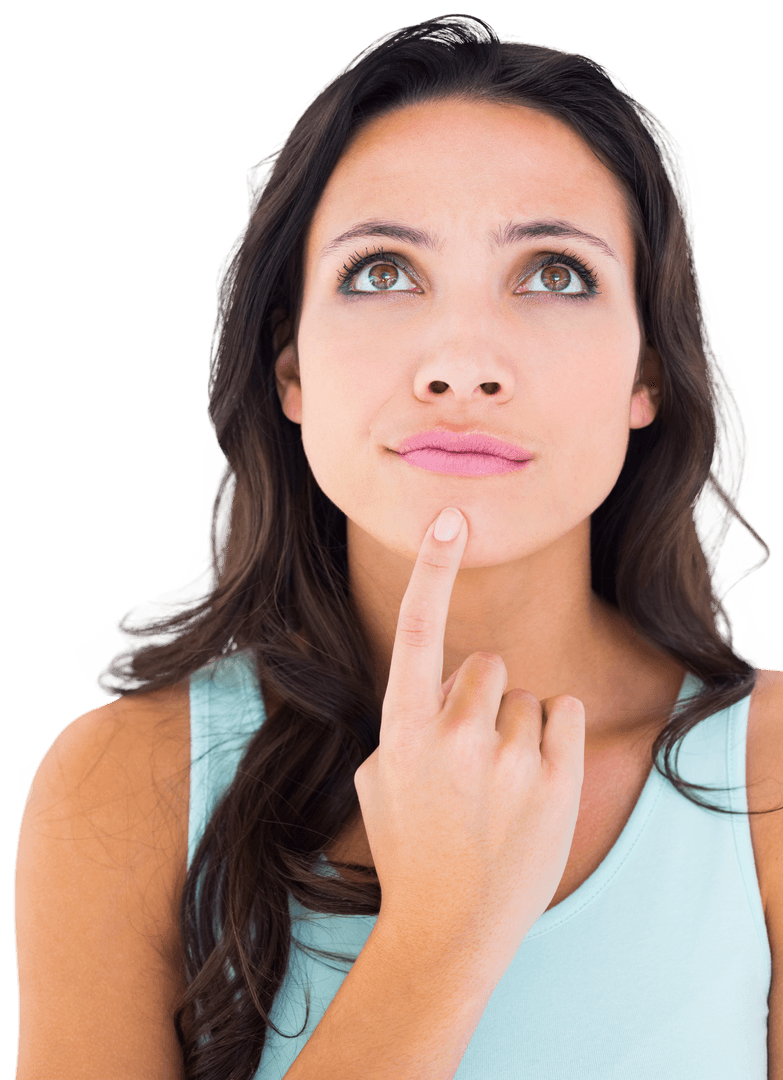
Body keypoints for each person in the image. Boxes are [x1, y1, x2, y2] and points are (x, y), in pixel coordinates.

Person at [13, 13, 783, 1080]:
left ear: (647, 374)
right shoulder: (126, 788)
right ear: (291, 371)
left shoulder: (771, 781)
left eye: (555, 273)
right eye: (382, 273)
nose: (462, 364)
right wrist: (439, 938)